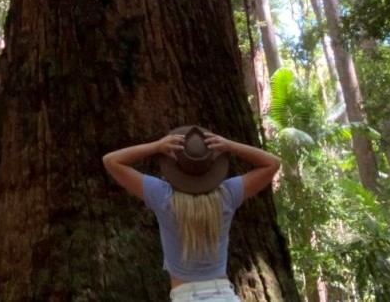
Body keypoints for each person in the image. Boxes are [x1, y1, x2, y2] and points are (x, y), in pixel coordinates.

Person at [102, 125, 282, 301]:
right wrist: (229, 145)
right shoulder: (227, 195)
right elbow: (272, 163)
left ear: (175, 166)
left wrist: (157, 146)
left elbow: (111, 160)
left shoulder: (162, 196)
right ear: (212, 166)